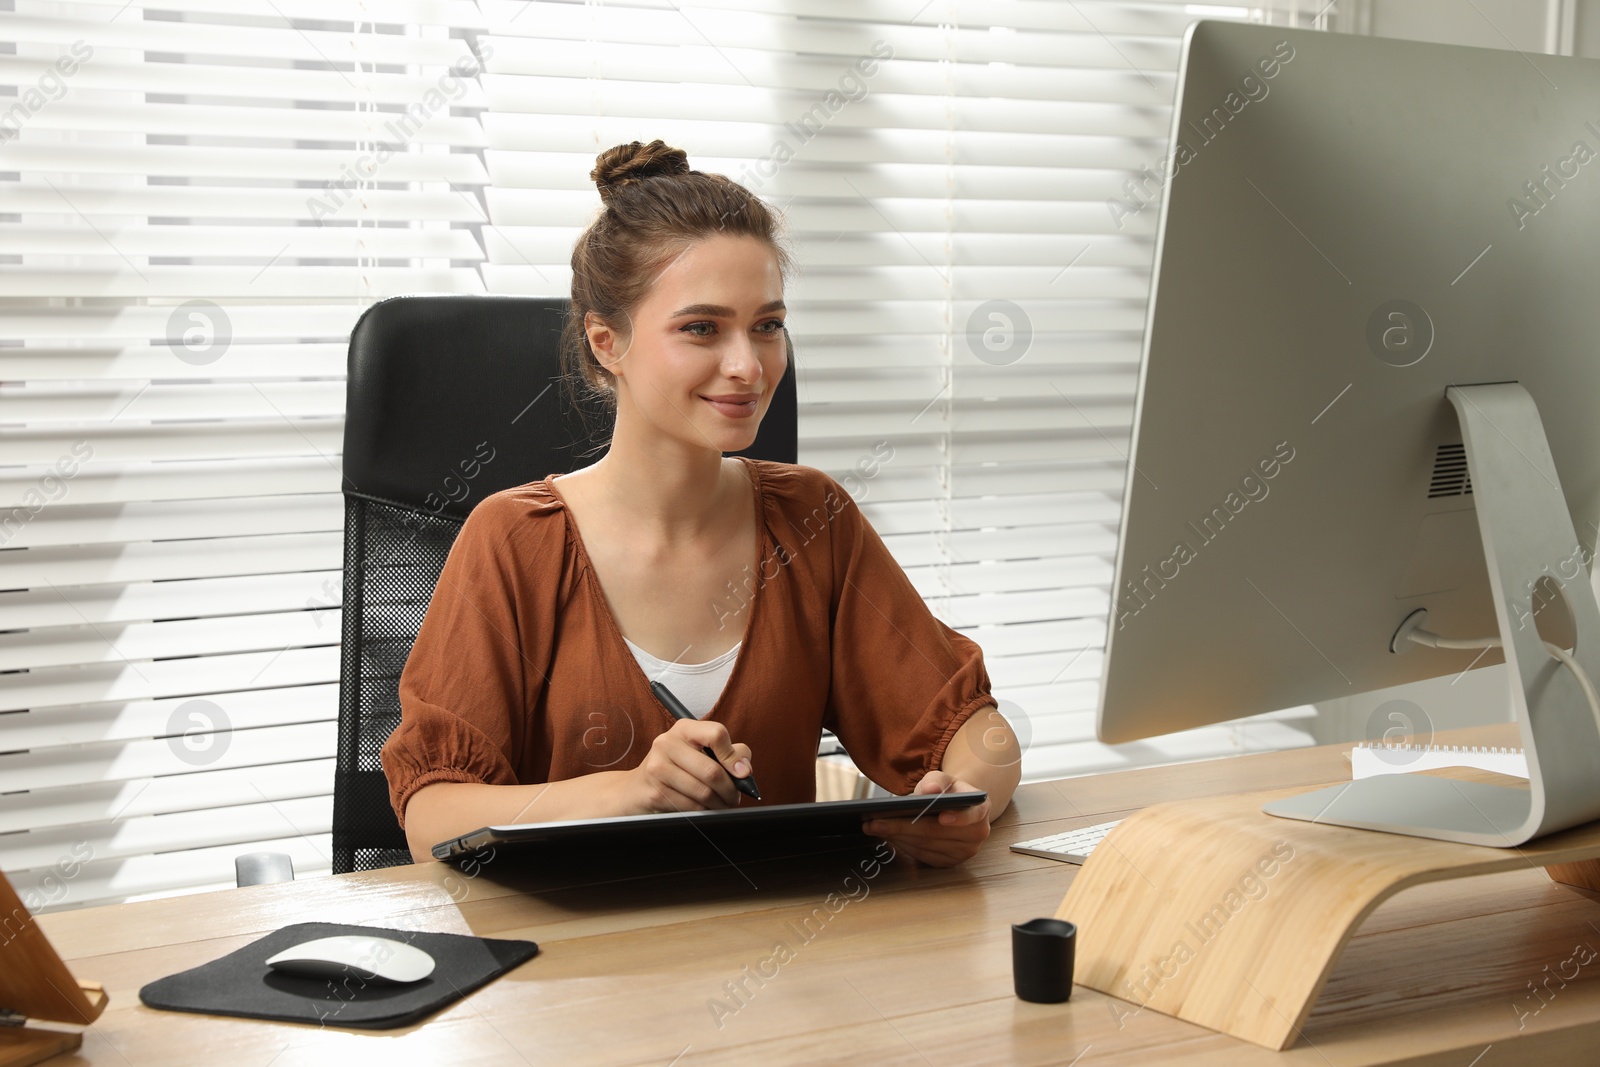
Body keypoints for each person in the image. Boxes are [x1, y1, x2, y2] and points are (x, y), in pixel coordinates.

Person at [381, 139, 1021, 868]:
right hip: (571, 967)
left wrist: (965, 797)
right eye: (701, 328)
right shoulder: (513, 539)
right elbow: (432, 817)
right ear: (605, 342)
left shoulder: (814, 519)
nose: (749, 365)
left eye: (768, 325)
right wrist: (628, 791)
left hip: (778, 953)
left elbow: (972, 728)